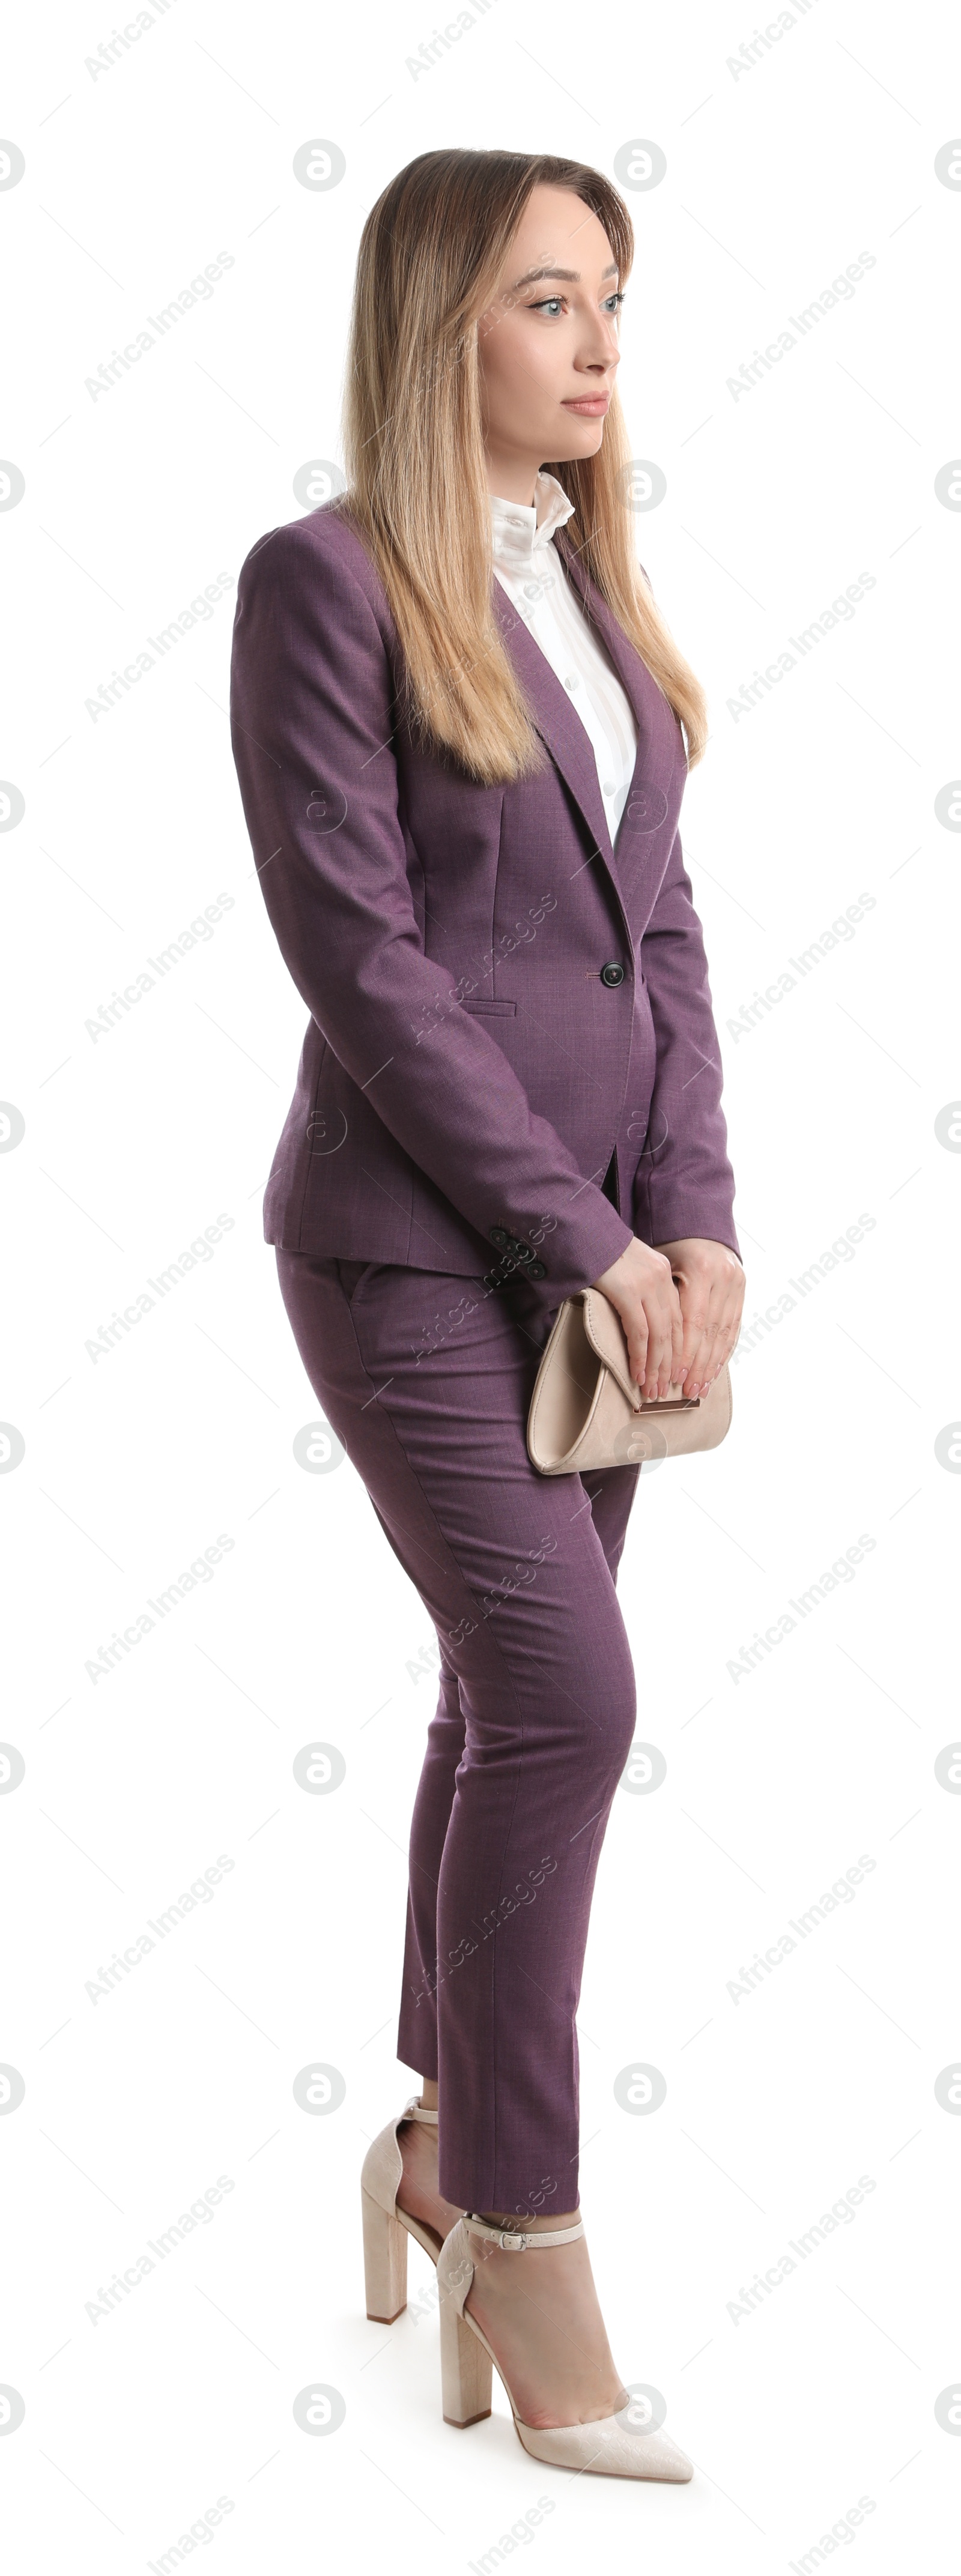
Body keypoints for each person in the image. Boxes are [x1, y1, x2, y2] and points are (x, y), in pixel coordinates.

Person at [229, 147, 745, 2481]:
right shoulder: (322, 586)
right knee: (565, 1689)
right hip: (417, 1249)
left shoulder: (601, 610)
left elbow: (665, 938)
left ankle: (433, 2146)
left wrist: (700, 1219)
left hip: (613, 1259)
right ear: (446, 324)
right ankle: (521, 2226)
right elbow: (367, 961)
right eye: (551, 298)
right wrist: (588, 1242)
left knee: (495, 1697)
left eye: (611, 294)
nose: (601, 340)